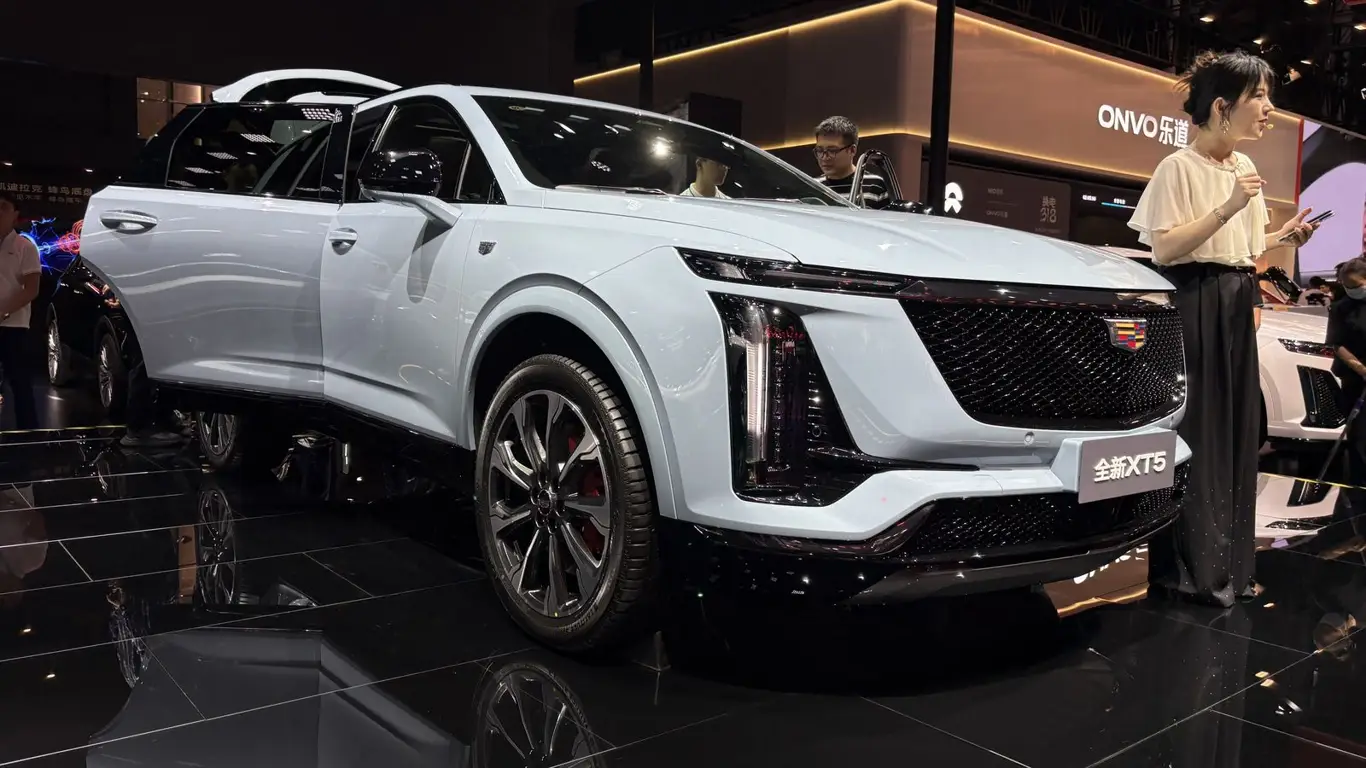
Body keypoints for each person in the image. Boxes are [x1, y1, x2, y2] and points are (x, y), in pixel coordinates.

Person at [1128, 50, 1319, 608]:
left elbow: (1243, 248)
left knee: (1236, 432)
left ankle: (1231, 568)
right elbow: (1167, 248)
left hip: (1236, 299)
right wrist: (1230, 206)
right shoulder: (1178, 167)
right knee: (1200, 432)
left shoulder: (1242, 167)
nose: (1269, 109)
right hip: (1196, 301)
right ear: (1221, 106)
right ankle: (1191, 571)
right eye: (1259, 96)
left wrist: (1283, 237)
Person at [0, 191, 41, 431]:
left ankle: (29, 436)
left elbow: (32, 288)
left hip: (14, 326)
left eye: (4, 207)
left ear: (15, 214)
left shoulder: (24, 246)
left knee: (20, 383)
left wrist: (4, 311)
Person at [1327, 258, 1366, 472]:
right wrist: (1362, 370)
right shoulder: (1340, 308)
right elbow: (1337, 344)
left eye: (1356, 285)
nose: (1352, 290)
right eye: (1348, 286)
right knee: (1360, 436)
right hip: (1355, 378)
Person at [811, 116, 890, 209]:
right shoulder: (813, 186)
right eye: (820, 150)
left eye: (832, 150)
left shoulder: (876, 185)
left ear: (852, 150)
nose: (824, 157)